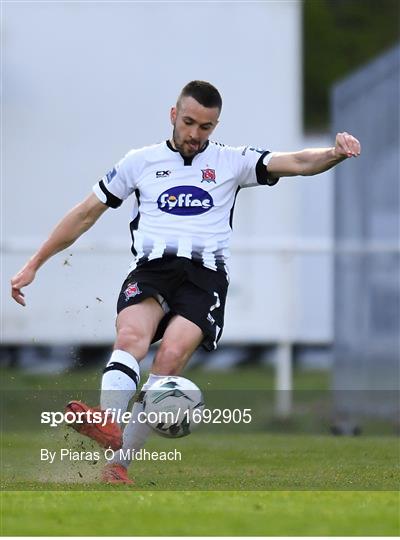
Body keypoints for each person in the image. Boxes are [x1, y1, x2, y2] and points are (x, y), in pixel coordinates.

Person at [11, 80, 361, 484]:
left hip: (203, 278)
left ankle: (117, 466)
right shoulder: (139, 162)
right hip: (152, 270)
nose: (195, 134)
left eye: (206, 127)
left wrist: (334, 153)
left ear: (216, 125)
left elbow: (296, 161)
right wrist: (36, 262)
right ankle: (108, 422)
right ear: (174, 115)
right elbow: (85, 213)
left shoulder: (233, 161)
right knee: (129, 339)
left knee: (169, 362)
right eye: (190, 122)